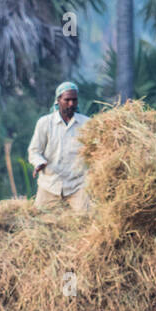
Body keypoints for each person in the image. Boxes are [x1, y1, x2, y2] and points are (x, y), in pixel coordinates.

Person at [28, 81, 91, 213]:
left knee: (85, 221)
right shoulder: (45, 123)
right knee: (40, 222)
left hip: (78, 185)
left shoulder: (87, 124)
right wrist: (39, 163)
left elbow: (94, 152)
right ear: (58, 100)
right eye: (67, 100)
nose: (71, 104)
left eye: (74, 100)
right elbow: (34, 151)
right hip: (49, 184)